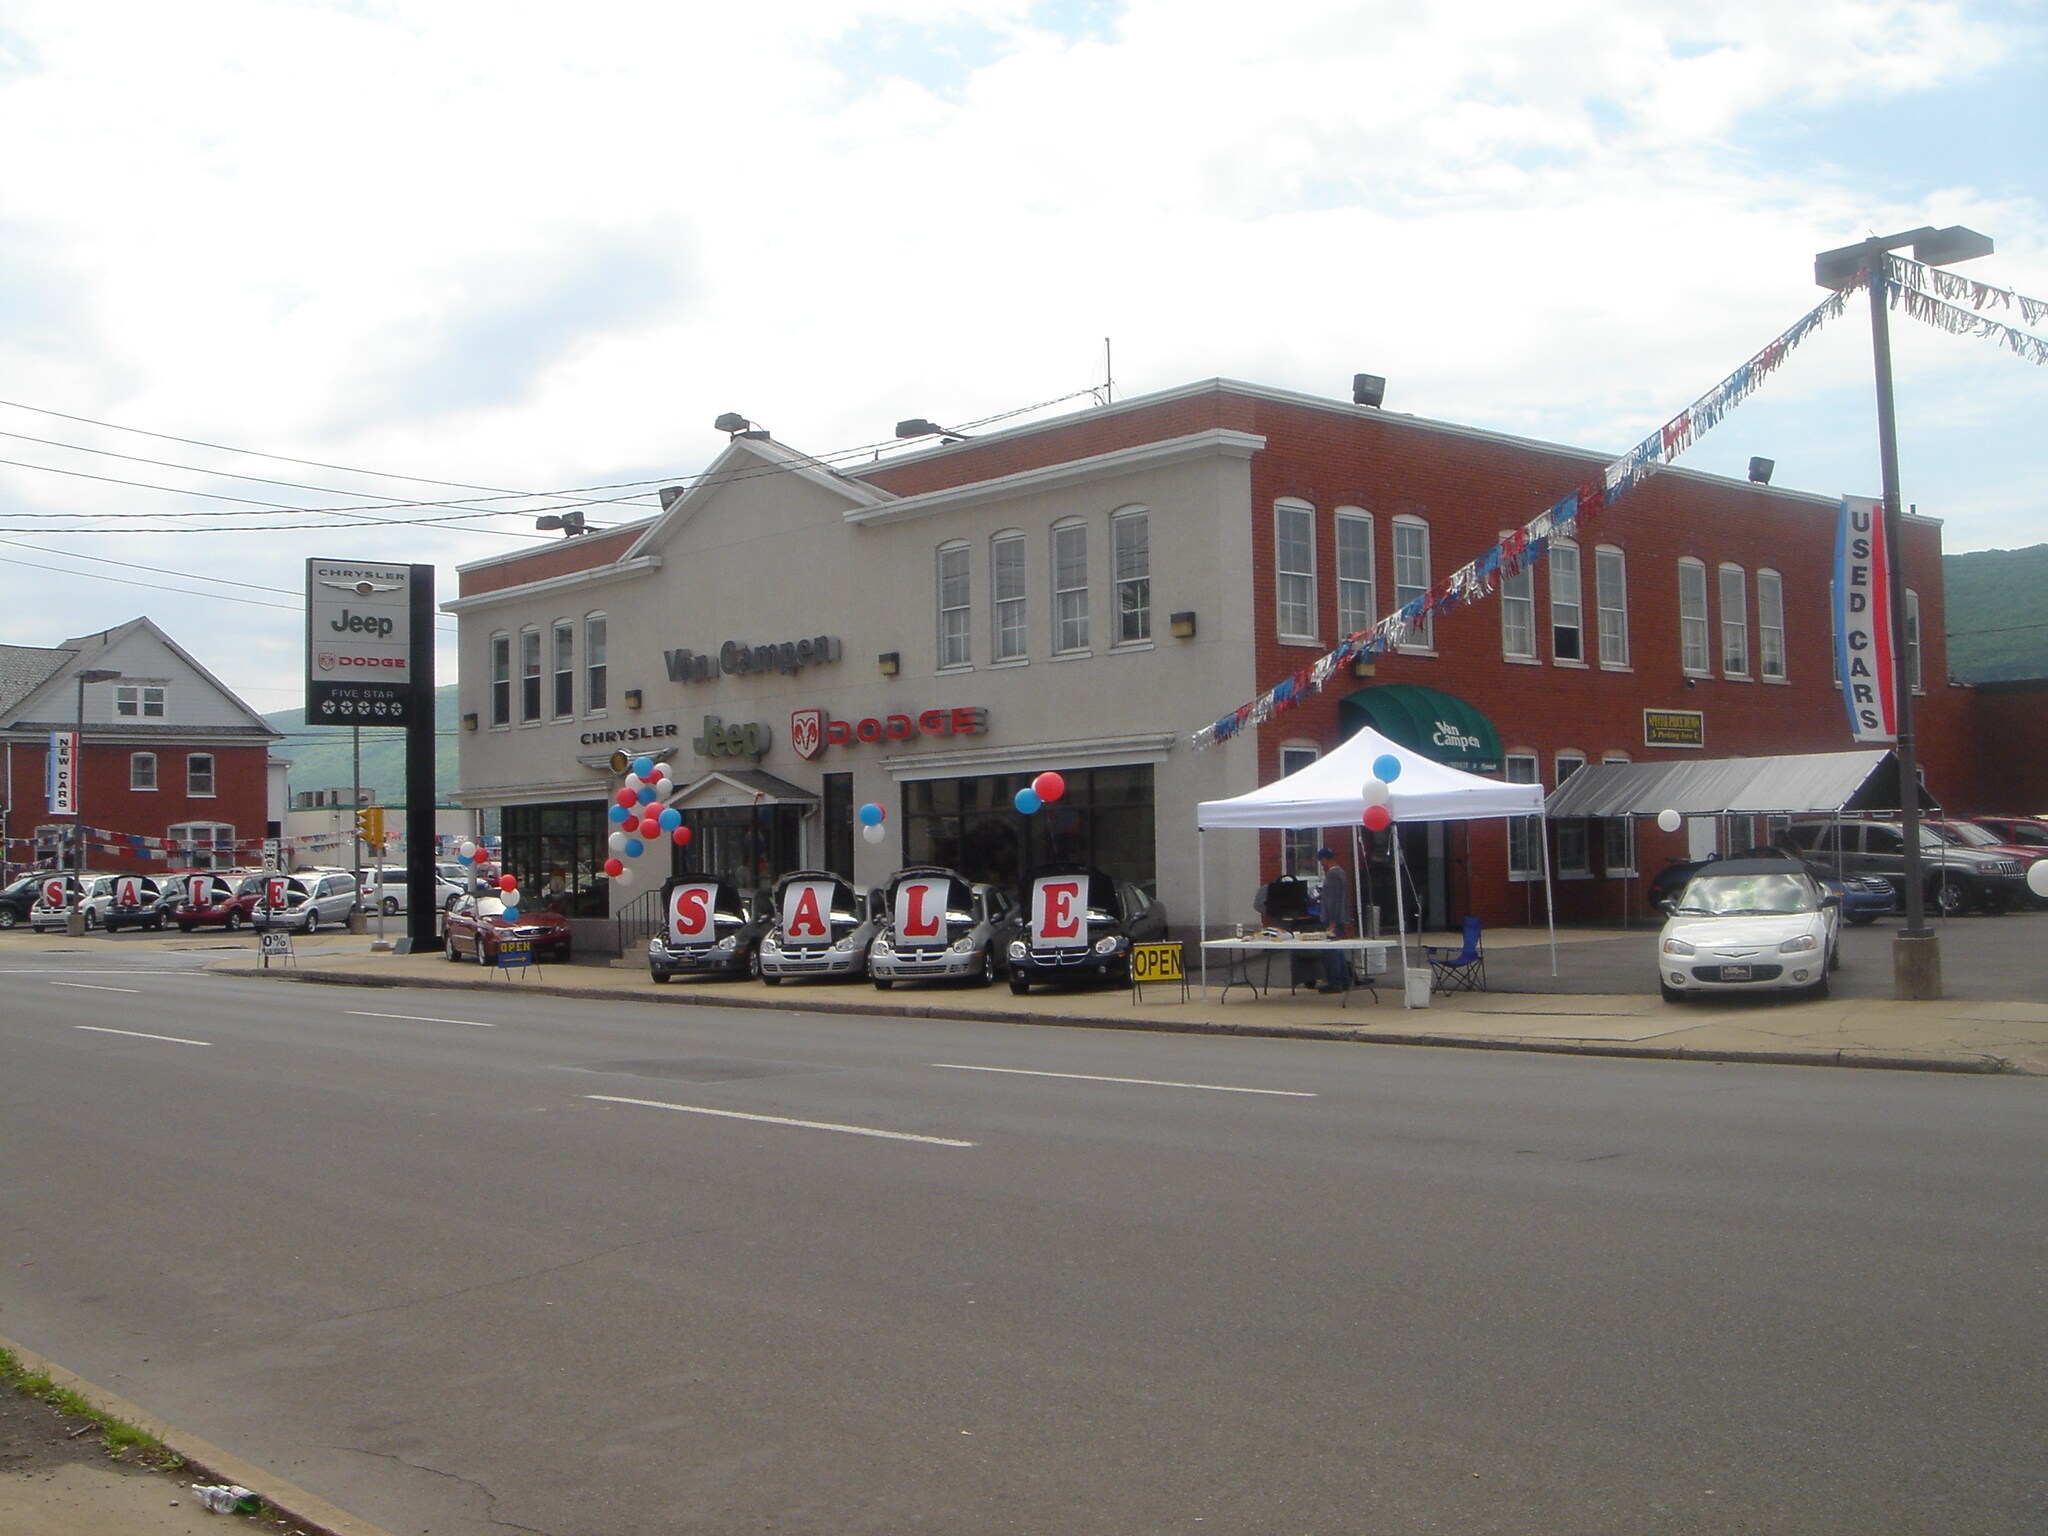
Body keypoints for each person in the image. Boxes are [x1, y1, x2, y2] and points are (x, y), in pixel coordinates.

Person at [1314, 846, 1351, 994]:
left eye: (1321, 861)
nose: (1321, 865)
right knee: (1338, 951)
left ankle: (1335, 982)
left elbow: (1334, 899)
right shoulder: (1340, 872)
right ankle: (1345, 980)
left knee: (1331, 952)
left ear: (1324, 859)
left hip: (1332, 919)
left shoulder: (1333, 875)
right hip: (1336, 917)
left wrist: (1332, 922)